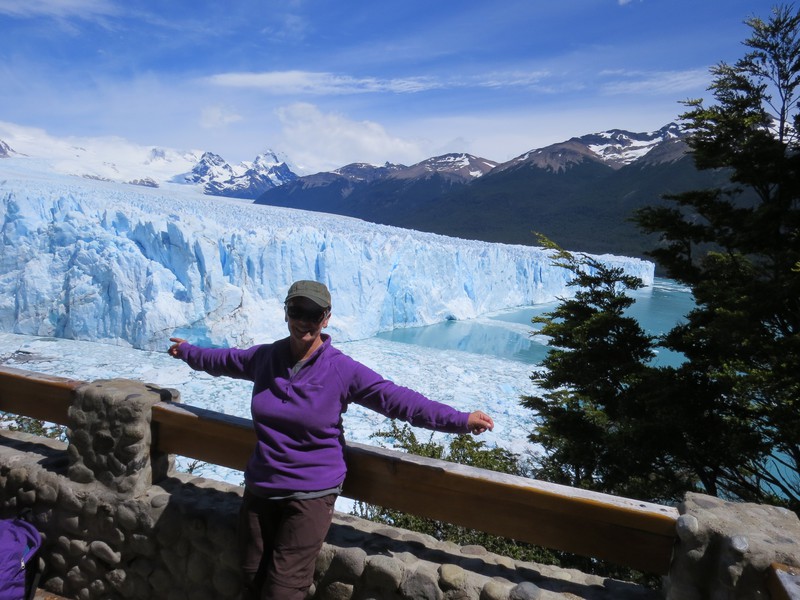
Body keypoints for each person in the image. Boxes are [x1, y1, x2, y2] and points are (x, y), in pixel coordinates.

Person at [168, 279, 494, 600]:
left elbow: (398, 400)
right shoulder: (266, 358)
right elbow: (222, 361)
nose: (303, 321)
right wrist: (186, 351)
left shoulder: (341, 370)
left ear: (326, 318)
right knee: (252, 575)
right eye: (297, 310)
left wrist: (460, 420)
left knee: (283, 589)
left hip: (310, 492)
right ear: (286, 312)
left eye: (313, 313)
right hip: (262, 487)